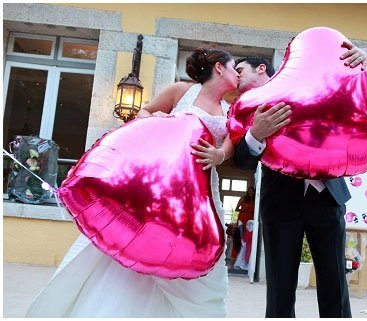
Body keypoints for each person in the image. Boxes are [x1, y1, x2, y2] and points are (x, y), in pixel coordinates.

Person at [26, 47, 239, 317]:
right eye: (234, 68)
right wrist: (160, 120)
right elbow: (144, 113)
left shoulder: (231, 111)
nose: (237, 75)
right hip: (160, 182)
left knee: (200, 258)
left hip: (199, 191)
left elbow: (229, 146)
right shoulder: (182, 91)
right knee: (140, 240)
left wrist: (218, 154)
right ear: (220, 68)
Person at [233, 41, 367, 318]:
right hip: (280, 204)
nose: (235, 76)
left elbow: (352, 87)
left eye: (240, 69)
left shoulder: (304, 82)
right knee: (280, 288)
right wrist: (256, 134)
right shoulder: (246, 107)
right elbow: (242, 161)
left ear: (261, 68)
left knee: (335, 283)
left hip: (327, 196)